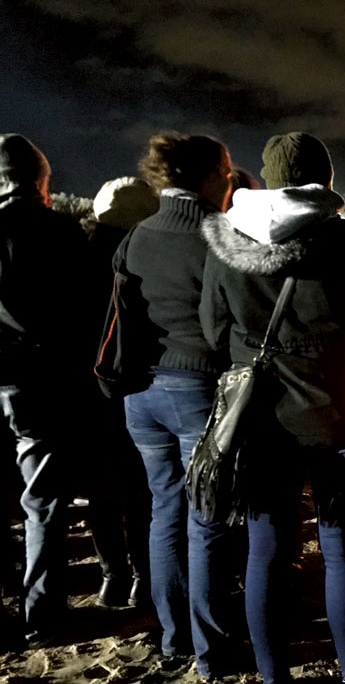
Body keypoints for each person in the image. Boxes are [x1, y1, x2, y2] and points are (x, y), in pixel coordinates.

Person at [200, 132, 345, 684]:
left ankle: (274, 675)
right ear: (323, 179)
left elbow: (213, 331)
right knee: (342, 548)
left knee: (267, 551)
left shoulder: (227, 241)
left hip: (261, 421)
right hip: (340, 410)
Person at [111, 133, 237, 676]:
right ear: (210, 175)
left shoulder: (137, 235)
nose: (231, 182)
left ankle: (172, 636)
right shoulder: (219, 236)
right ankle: (211, 649)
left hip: (140, 394)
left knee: (165, 509)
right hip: (195, 387)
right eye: (228, 173)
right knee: (206, 519)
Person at [1, 134, 89, 648]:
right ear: (41, 181)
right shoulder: (63, 234)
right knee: (43, 505)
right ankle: (42, 615)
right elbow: (82, 315)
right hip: (39, 381)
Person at [85, 177, 158, 608]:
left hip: (90, 386)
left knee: (102, 485)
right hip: (140, 383)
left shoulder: (78, 255)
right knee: (143, 487)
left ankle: (112, 574)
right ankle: (145, 577)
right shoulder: (147, 255)